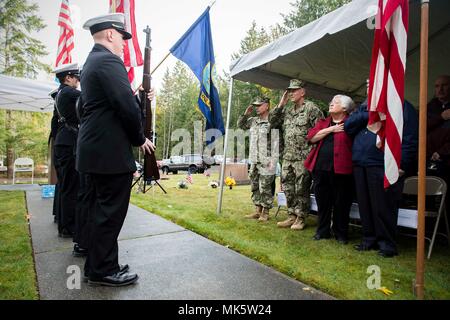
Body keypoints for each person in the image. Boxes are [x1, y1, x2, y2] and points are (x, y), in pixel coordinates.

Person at [77, 13, 155, 287]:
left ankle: (101, 264)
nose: (124, 43)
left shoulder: (91, 62)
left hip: (96, 151)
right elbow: (124, 107)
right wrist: (139, 138)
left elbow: (94, 106)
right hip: (109, 154)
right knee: (110, 213)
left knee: (101, 211)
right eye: (122, 37)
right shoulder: (109, 60)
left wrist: (137, 96)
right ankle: (102, 271)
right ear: (110, 33)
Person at [344, 80, 418, 257]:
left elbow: (410, 138)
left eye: (374, 83)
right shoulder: (363, 107)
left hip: (383, 163)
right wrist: (369, 111)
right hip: (360, 163)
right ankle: (369, 239)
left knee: (383, 206)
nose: (370, 88)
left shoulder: (401, 106)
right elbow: (348, 126)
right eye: (368, 85)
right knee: (365, 204)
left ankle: (387, 245)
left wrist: (403, 165)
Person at [270, 79, 324, 230]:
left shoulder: (311, 109)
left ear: (303, 92)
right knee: (288, 187)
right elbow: (272, 123)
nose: (291, 93)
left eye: (294, 90)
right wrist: (281, 104)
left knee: (301, 188)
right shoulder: (287, 111)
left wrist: (312, 152)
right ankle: (291, 215)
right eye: (290, 91)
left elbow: (320, 131)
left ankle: (301, 217)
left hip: (303, 157)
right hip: (288, 156)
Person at [304, 95, 355, 244]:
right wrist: (331, 129)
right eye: (331, 101)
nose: (331, 104)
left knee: (342, 202)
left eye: (336, 102)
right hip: (320, 168)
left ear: (345, 108)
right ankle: (323, 231)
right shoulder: (324, 122)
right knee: (323, 202)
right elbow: (312, 137)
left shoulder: (350, 124)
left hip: (343, 170)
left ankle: (341, 233)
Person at [52, 63, 81, 239]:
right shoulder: (69, 92)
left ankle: (64, 225)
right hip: (69, 142)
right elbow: (91, 97)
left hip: (63, 141)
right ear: (68, 78)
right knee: (71, 186)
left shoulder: (60, 93)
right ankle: (69, 227)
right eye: (76, 77)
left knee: (65, 187)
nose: (78, 80)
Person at [237, 96, 277, 222]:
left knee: (265, 186)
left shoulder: (272, 121)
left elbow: (276, 141)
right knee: (254, 185)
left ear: (267, 106)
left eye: (259, 105)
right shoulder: (253, 120)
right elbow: (241, 125)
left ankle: (265, 212)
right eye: (256, 105)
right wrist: (245, 114)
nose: (257, 108)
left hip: (266, 160)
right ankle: (257, 210)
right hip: (254, 159)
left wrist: (274, 160)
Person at [426, 75, 450, 214]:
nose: (440, 89)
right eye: (437, 86)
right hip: (428, 158)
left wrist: (442, 152)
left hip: (446, 158)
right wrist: (441, 117)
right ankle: (428, 230)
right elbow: (421, 126)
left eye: (444, 85)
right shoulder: (430, 106)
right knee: (428, 194)